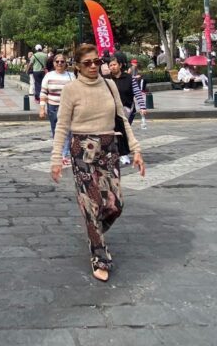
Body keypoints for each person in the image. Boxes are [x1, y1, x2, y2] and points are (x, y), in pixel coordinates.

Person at [51, 44, 145, 282]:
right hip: (82, 151)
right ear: (78, 66)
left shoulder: (109, 84)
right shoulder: (71, 90)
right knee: (92, 203)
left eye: (97, 61)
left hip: (109, 148)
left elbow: (122, 119)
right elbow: (62, 125)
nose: (94, 66)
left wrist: (136, 149)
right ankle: (99, 256)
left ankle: (94, 230)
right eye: (87, 63)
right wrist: (55, 159)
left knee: (116, 203)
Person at [39, 51, 75, 166]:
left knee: (68, 132)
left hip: (67, 107)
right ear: (54, 63)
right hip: (53, 106)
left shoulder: (71, 76)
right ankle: (59, 152)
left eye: (62, 61)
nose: (59, 63)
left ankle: (64, 154)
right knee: (56, 131)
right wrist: (42, 108)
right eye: (57, 61)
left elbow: (76, 93)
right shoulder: (49, 76)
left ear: (66, 63)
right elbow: (43, 92)